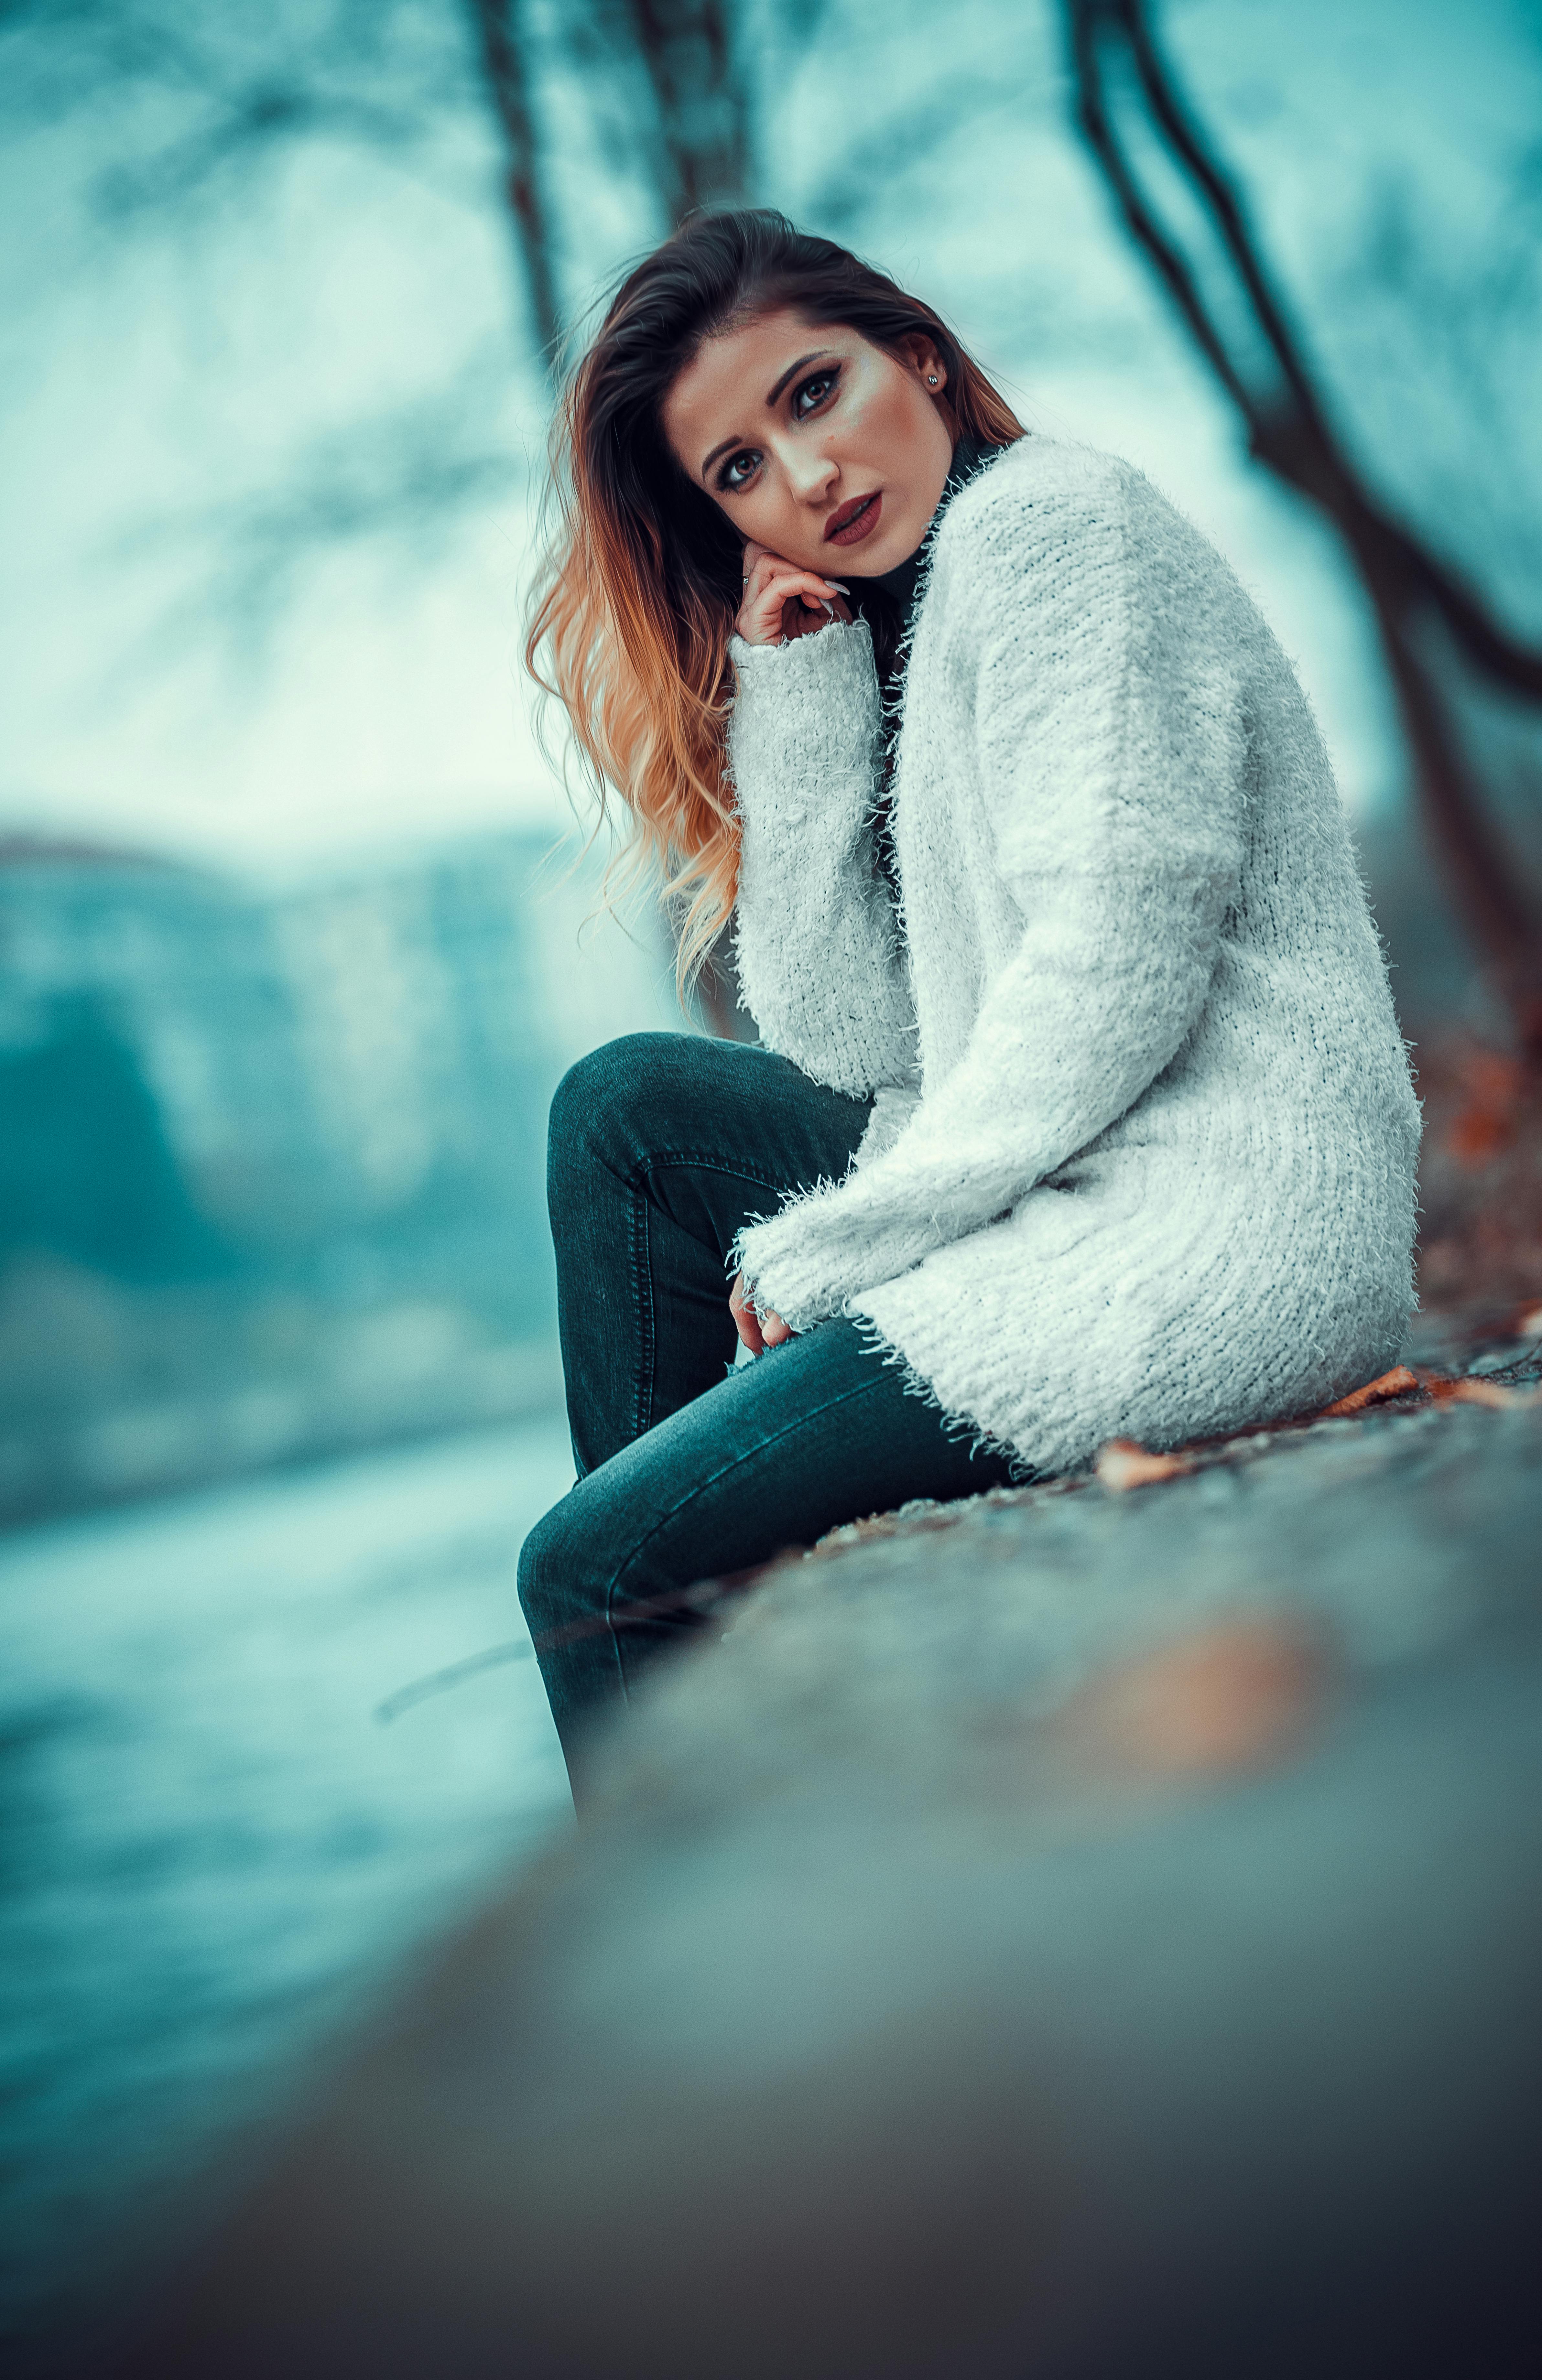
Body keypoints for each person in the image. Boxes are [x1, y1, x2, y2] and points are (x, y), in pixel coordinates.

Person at [517, 208, 1420, 1808]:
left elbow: (1115, 958)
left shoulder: (1055, 527)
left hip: (1214, 1227)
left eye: (812, 393)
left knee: (592, 1567)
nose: (805, 476)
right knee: (626, 1112)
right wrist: (795, 717)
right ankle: (744, 1754)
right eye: (738, 469)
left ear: (915, 353)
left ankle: (691, 1966)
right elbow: (859, 1047)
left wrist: (855, 1236)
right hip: (1079, 1185)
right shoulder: (913, 630)